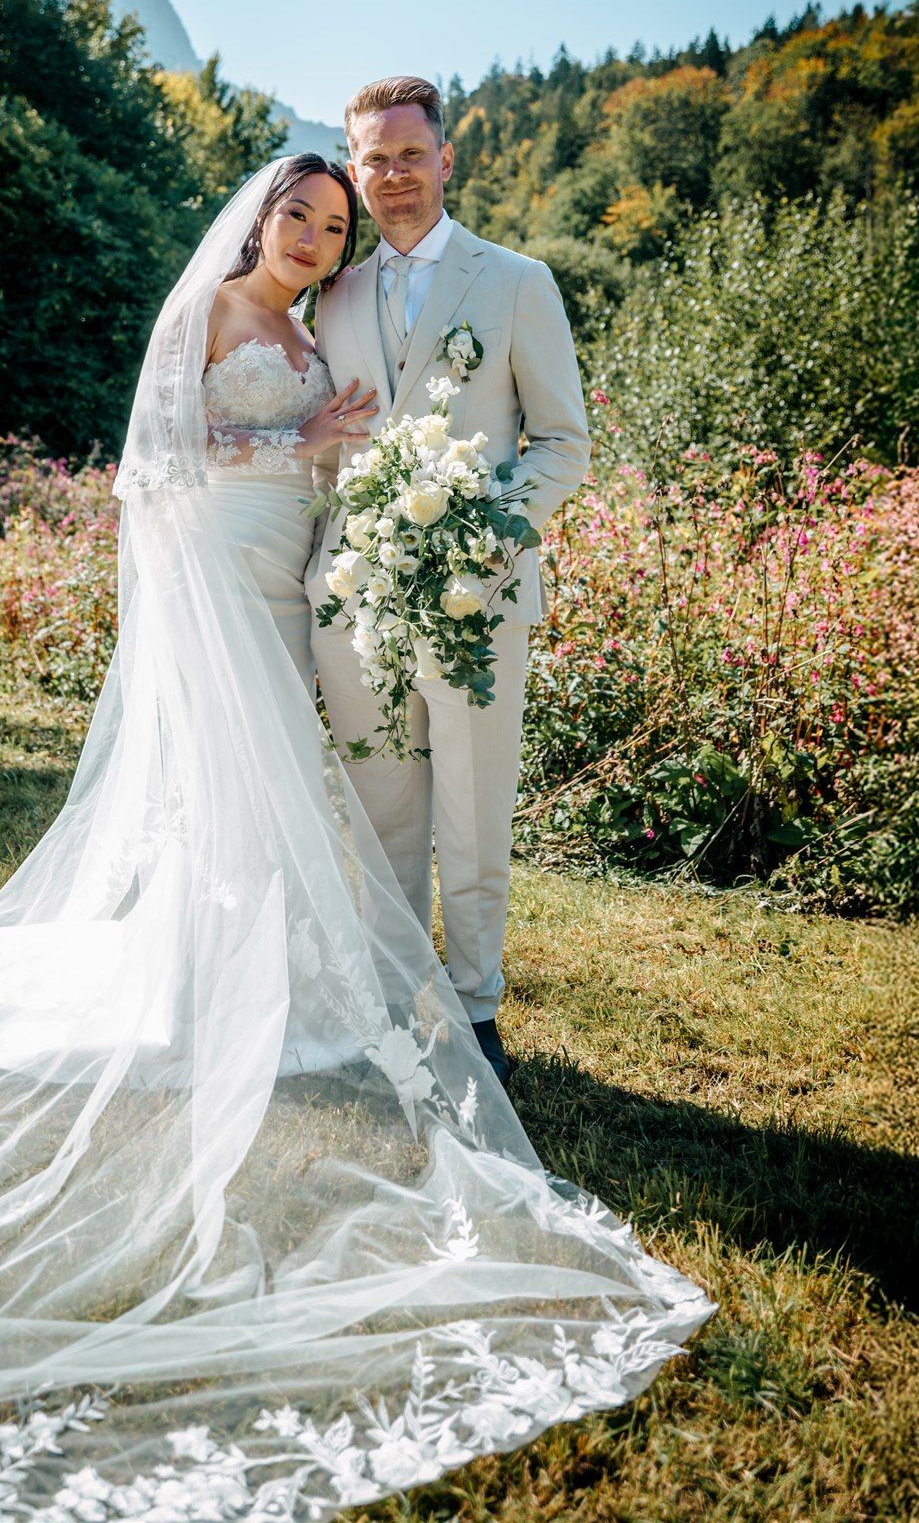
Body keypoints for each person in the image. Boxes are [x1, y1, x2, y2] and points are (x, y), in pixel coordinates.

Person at [0, 154, 712, 1522]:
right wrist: (305, 447)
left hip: (293, 573)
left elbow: (345, 454)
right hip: (213, 566)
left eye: (334, 224)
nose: (320, 237)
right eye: (303, 216)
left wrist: (365, 484)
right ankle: (215, 981)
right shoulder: (204, 312)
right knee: (234, 774)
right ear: (259, 218)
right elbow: (160, 462)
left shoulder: (322, 330)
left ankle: (258, 964)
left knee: (275, 786)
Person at [310, 77, 591, 1087]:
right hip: (353, 603)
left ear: (446, 159)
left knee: (475, 813)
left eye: (408, 155)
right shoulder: (331, 292)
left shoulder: (516, 282)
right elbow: (326, 449)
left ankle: (473, 1011)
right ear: (354, 167)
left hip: (478, 599)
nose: (391, 177)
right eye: (372, 159)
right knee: (378, 813)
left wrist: (487, 529)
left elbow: (563, 444)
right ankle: (391, 999)